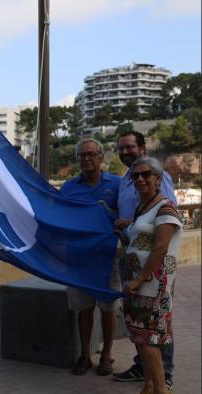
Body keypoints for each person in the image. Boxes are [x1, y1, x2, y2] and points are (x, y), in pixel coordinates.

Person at [113, 131, 177, 391]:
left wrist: (140, 277)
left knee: (155, 331)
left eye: (130, 147)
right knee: (140, 329)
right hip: (133, 268)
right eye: (121, 148)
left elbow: (163, 240)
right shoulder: (123, 180)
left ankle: (164, 376)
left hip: (151, 277)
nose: (140, 179)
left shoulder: (162, 199)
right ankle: (147, 376)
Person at [60, 139, 121, 376]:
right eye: (82, 155)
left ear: (101, 157)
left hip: (108, 257)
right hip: (79, 259)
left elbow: (126, 214)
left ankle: (106, 355)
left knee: (109, 309)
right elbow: (60, 217)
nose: (86, 158)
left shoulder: (117, 184)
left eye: (91, 154)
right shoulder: (68, 187)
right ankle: (85, 355)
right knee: (83, 309)